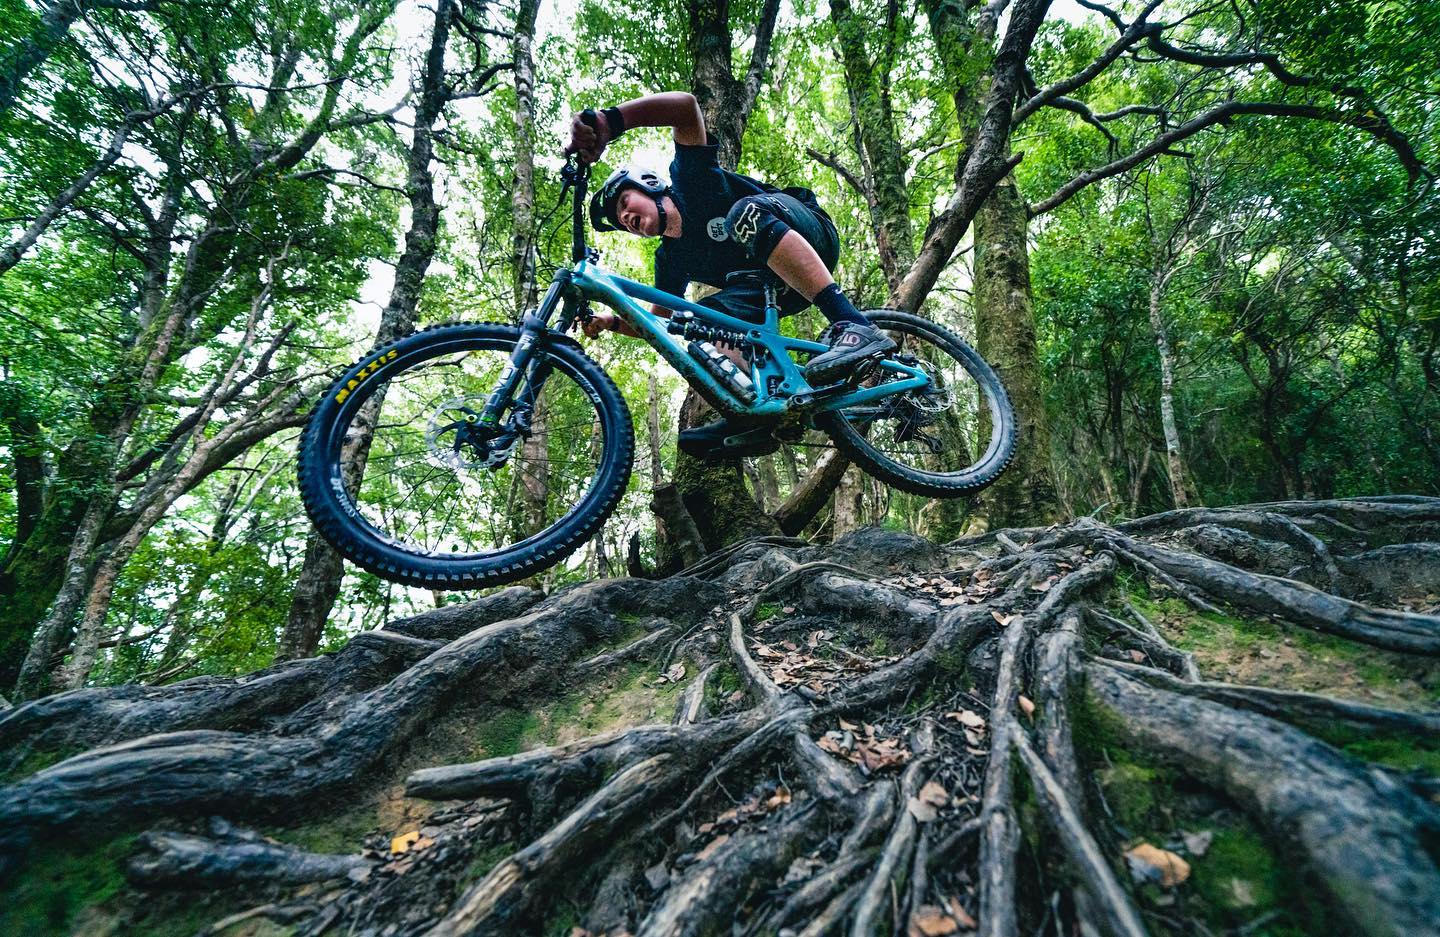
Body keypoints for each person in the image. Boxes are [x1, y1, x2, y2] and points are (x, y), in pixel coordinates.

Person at [564, 90, 895, 458]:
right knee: (698, 321)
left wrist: (611, 121)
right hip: (769, 290)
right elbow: (654, 321)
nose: (627, 218)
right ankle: (759, 415)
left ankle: (854, 324)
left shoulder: (691, 181)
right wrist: (609, 321)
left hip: (807, 236)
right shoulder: (670, 259)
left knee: (743, 215)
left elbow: (686, 108)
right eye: (623, 222)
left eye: (626, 203)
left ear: (649, 185)